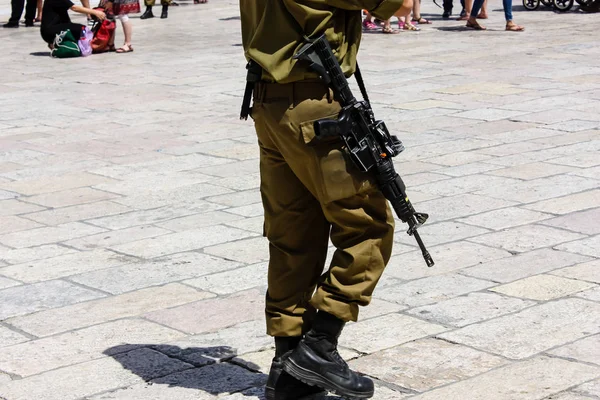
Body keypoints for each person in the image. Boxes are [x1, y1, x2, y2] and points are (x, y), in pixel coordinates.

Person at [239, 0, 412, 399]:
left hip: (268, 101)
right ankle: (320, 344)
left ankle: (288, 367)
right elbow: (399, 6)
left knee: (292, 234)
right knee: (367, 226)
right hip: (316, 105)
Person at [40, 0, 104, 45]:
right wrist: (95, 12)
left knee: (76, 29)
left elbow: (65, 19)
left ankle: (55, 43)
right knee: (83, 29)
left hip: (48, 31)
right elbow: (74, 8)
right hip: (50, 32)